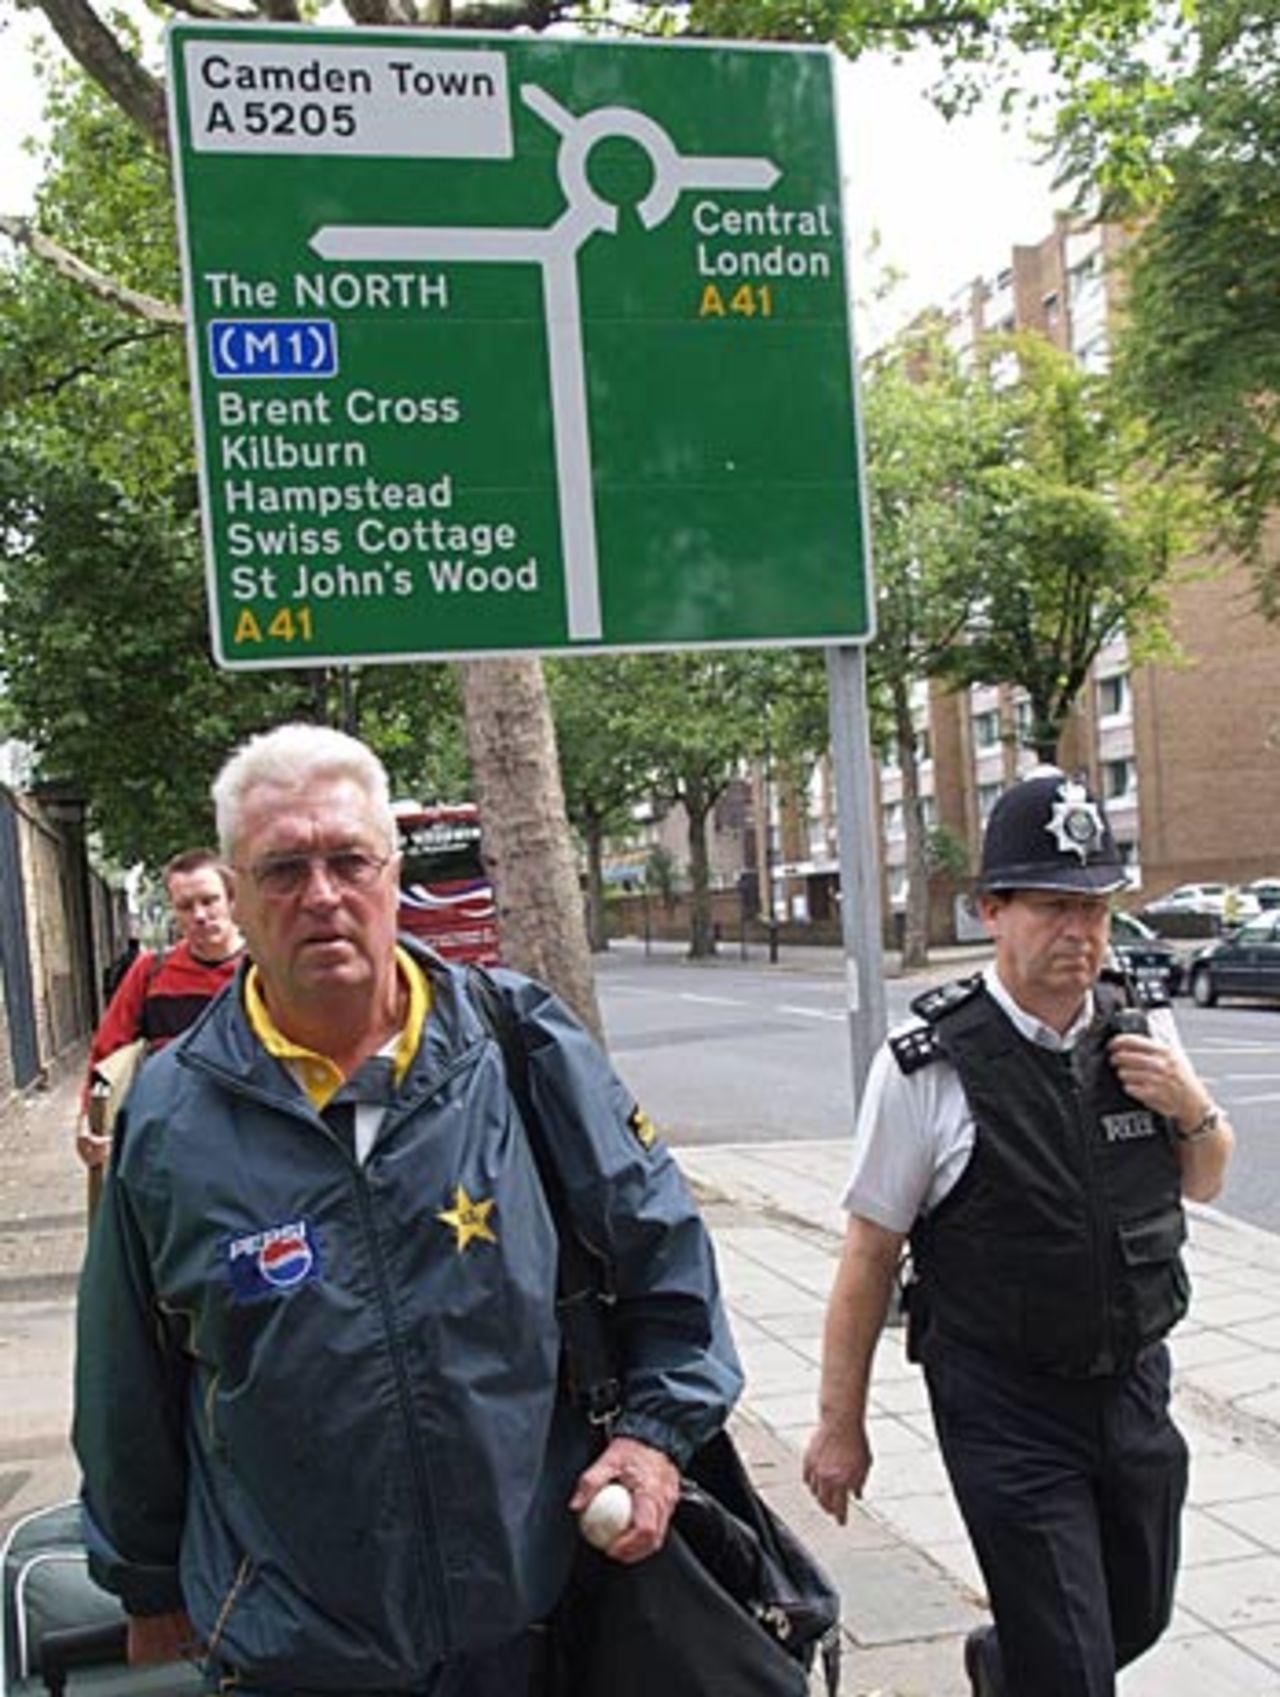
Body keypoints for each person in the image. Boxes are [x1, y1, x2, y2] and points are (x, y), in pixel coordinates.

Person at [74, 722, 741, 1696]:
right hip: (292, 1645)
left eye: (348, 858)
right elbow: (125, 1376)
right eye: (283, 867)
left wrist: (653, 1433)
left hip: (537, 1614)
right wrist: (144, 1581)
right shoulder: (171, 1116)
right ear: (236, 893)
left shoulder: (519, 1044)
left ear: (391, 873)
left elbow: (660, 1247)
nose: (322, 894)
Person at [803, 767, 1234, 1697]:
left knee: (1139, 1613)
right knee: (1076, 1671)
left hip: (1131, 1389)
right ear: (991, 910)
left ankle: (1001, 1666)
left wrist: (1189, 1103)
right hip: (1005, 1404)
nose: (1081, 933)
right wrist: (842, 1425)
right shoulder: (928, 1069)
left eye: (1097, 909)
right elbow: (869, 1254)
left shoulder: (1140, 1026)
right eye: (1052, 906)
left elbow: (1204, 1179)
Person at [75, 847, 245, 1174]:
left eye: (209, 900)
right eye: (185, 906)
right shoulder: (150, 973)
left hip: (248, 1137)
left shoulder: (266, 971)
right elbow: (107, 1048)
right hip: (170, 1142)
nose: (199, 915)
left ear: (232, 899)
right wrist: (88, 1116)